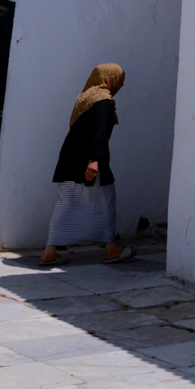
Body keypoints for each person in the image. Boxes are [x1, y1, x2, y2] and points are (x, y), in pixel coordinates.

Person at [41, 64, 135, 264]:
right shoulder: (102, 101)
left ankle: (49, 251)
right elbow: (97, 132)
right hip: (88, 160)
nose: (120, 84)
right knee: (106, 200)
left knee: (65, 202)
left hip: (69, 159)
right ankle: (112, 249)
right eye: (119, 79)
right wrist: (94, 161)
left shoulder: (85, 97)